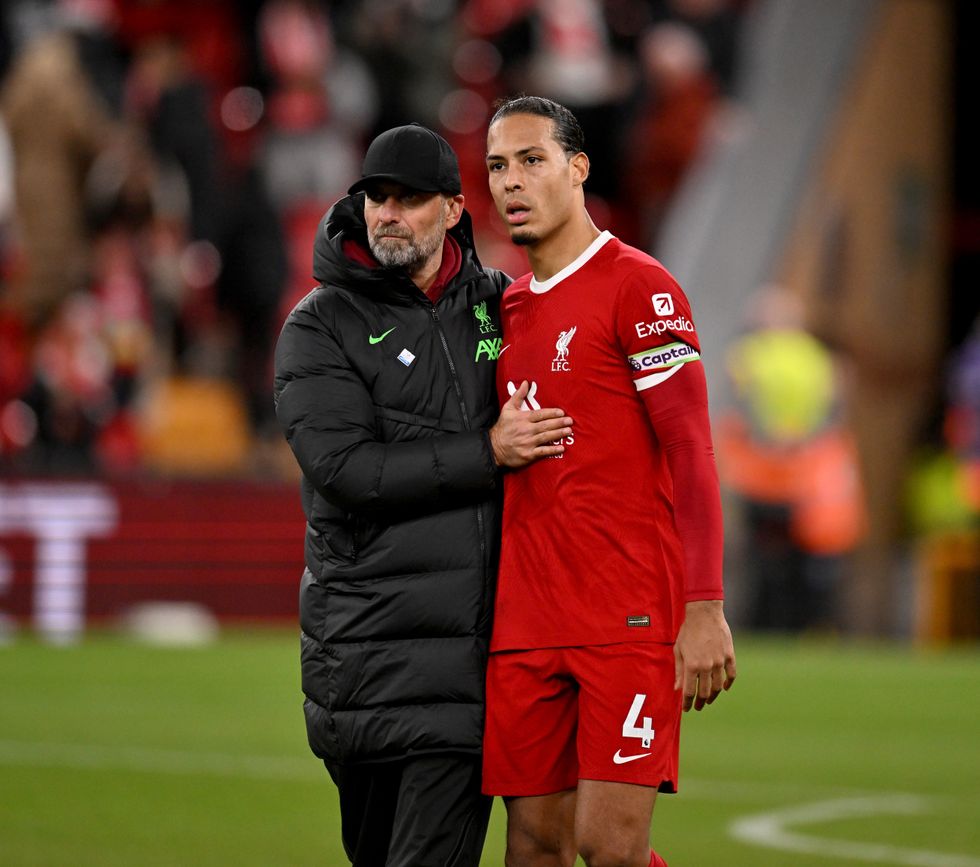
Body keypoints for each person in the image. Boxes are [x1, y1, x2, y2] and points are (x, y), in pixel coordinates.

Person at [273, 123, 572, 867]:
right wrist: (487, 452)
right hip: (363, 653)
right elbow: (346, 470)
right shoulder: (318, 326)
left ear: (452, 209)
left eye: (409, 199)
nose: (389, 213)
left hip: (465, 671)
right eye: (377, 197)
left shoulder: (501, 304)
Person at [482, 95, 737, 867]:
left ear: (578, 168)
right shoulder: (507, 309)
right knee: (531, 847)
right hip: (525, 619)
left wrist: (703, 606)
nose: (511, 182)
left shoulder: (641, 287)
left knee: (609, 848)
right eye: (497, 165)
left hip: (624, 616)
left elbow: (692, 450)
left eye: (532, 160)